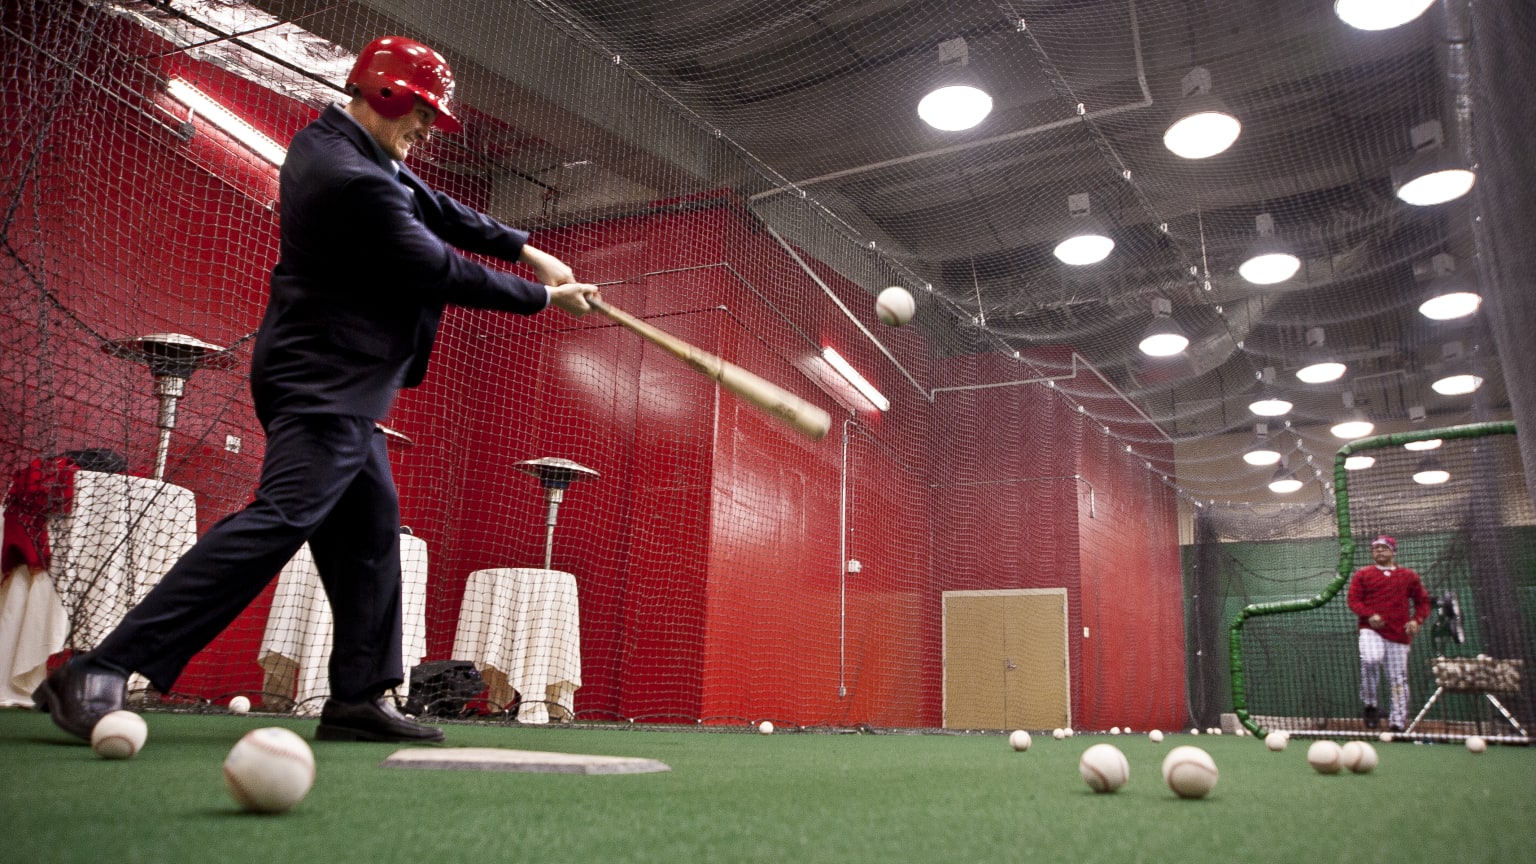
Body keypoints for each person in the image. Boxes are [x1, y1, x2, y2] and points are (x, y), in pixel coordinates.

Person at [33, 36, 600, 743]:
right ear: (388, 94)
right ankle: (101, 666)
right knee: (282, 518)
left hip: (341, 383)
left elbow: (437, 206)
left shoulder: (344, 147)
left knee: (370, 535)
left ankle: (359, 696)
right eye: (423, 113)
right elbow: (437, 266)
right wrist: (545, 300)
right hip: (323, 377)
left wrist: (525, 248)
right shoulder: (349, 176)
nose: (428, 129)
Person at [1347, 535, 1431, 732]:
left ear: (1393, 552)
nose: (1378, 551)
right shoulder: (1363, 574)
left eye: (1383, 548)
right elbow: (1353, 600)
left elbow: (1423, 602)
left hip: (1399, 634)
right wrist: (1369, 615)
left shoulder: (1408, 576)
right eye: (1375, 548)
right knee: (1370, 660)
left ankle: (1397, 724)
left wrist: (1416, 620)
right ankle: (1370, 706)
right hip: (1371, 630)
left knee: (1398, 678)